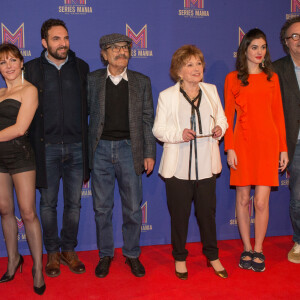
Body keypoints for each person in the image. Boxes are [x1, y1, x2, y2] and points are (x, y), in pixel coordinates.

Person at [153, 45, 228, 280]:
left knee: (207, 214)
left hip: (206, 167)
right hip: (177, 170)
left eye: (198, 63)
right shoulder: (167, 96)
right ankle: (180, 257)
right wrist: (179, 134)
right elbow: (158, 129)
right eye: (189, 65)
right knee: (179, 216)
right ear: (179, 71)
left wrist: (220, 129)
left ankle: (212, 256)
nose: (196, 68)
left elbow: (223, 120)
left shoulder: (211, 90)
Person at [24, 19, 89, 277]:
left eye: (65, 38)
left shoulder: (81, 67)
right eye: (56, 39)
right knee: (48, 204)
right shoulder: (30, 70)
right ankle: (51, 251)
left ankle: (68, 249)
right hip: (46, 149)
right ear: (44, 43)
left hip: (76, 148)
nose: (63, 43)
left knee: (74, 204)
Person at [88, 33, 156, 278]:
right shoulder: (92, 80)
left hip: (130, 149)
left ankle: (132, 254)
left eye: (125, 47)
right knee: (102, 208)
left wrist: (149, 152)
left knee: (132, 208)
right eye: (114, 48)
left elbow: (148, 118)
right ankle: (105, 254)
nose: (121, 52)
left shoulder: (141, 81)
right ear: (104, 54)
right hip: (100, 150)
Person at [224, 28, 288, 272]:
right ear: (245, 50)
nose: (259, 52)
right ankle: (247, 248)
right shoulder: (232, 78)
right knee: (242, 199)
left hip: (268, 144)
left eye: (263, 47)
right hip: (242, 144)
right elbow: (227, 117)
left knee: (261, 202)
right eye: (254, 47)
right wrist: (229, 147)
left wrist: (282, 149)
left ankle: (259, 249)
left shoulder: (272, 77)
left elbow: (278, 116)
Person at [0, 43, 45, 295]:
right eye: (3, 62)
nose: (8, 66)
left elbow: (19, 128)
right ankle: (13, 260)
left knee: (27, 212)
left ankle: (37, 269)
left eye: (12, 60)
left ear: (21, 63)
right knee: (5, 210)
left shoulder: (29, 90)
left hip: (21, 156)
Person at [273, 16, 300, 264]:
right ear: (286, 42)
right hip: (295, 143)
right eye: (295, 36)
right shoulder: (276, 69)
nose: (299, 40)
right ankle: (299, 242)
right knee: (299, 195)